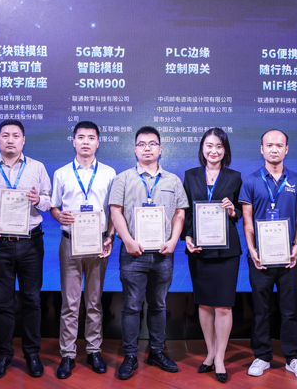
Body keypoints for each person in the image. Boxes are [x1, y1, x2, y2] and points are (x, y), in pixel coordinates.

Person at [0, 120, 52, 379]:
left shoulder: (37, 167)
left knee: (32, 300)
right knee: (3, 302)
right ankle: (4, 354)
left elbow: (50, 200)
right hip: (1, 243)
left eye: (16, 135)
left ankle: (32, 353)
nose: (10, 140)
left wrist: (39, 200)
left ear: (23, 140)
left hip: (31, 242)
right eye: (5, 135)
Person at [109, 126, 188, 380]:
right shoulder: (123, 179)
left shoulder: (173, 180)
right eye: (141, 144)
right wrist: (128, 240)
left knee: (159, 305)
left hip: (164, 253)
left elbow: (180, 212)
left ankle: (156, 351)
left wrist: (174, 240)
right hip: (133, 252)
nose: (147, 148)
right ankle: (130, 355)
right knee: (131, 306)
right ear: (135, 149)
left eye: (152, 144)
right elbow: (115, 211)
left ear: (160, 149)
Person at [239, 129, 297, 380]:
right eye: (269, 145)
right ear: (262, 149)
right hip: (260, 258)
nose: (274, 149)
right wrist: (252, 250)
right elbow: (247, 221)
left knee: (290, 310)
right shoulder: (250, 181)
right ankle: (262, 356)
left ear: (286, 149)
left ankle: (293, 358)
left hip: (289, 258)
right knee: (261, 310)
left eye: (279, 145)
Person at [50, 121, 116, 379]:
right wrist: (59, 216)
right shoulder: (61, 173)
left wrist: (110, 236)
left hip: (98, 243)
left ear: (98, 142)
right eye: (81, 137)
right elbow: (54, 206)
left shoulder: (109, 173)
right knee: (70, 302)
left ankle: (94, 350)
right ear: (73, 141)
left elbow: (114, 210)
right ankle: (67, 354)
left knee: (94, 301)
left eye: (91, 137)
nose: (86, 141)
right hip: (70, 242)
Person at [181, 128, 242, 383]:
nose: (213, 151)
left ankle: (220, 358)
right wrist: (186, 236)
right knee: (205, 303)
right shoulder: (190, 175)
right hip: (199, 248)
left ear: (225, 150)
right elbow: (185, 211)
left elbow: (240, 213)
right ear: (202, 148)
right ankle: (209, 352)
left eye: (218, 146)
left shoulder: (235, 177)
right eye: (209, 145)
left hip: (226, 250)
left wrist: (232, 210)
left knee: (224, 305)